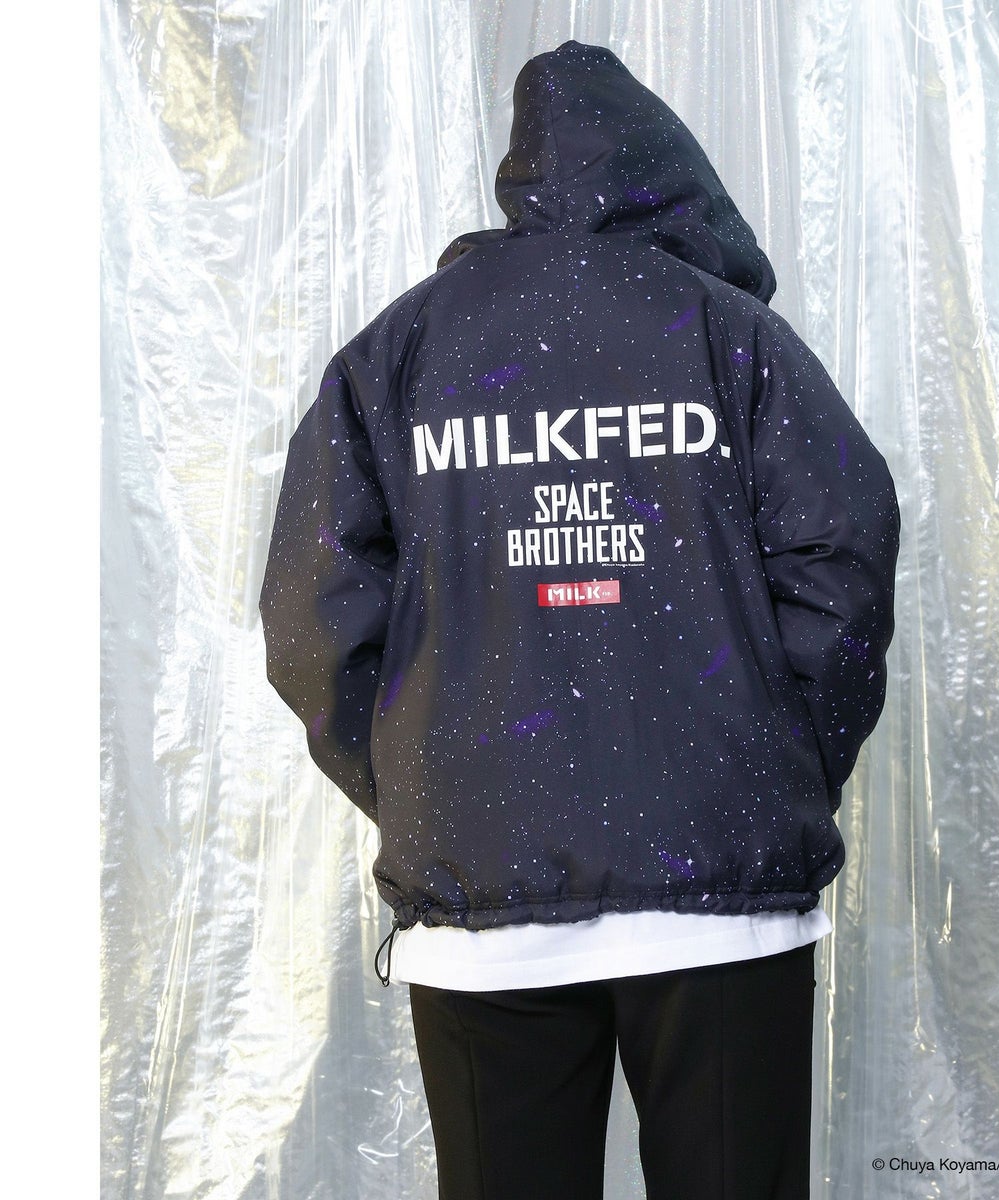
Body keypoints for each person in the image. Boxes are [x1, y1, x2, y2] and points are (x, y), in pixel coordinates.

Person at [260, 39, 900, 1200]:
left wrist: (432, 779)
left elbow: (313, 615)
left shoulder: (400, 351)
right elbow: (843, 557)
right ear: (669, 171)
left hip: (484, 911)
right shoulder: (730, 334)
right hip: (721, 903)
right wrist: (770, 758)